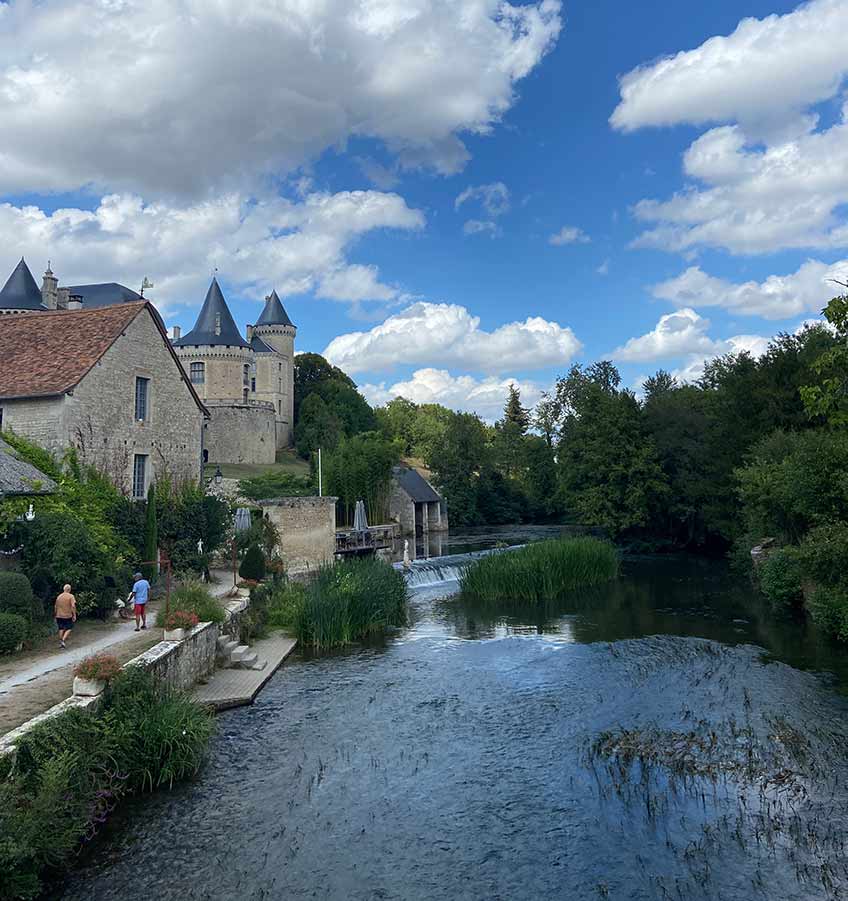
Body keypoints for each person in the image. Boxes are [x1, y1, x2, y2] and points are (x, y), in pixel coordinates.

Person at [54, 584, 76, 649]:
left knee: (61, 628)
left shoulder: (59, 596)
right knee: (69, 628)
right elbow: (73, 606)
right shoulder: (71, 596)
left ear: (64, 589)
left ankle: (61, 642)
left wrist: (55, 614)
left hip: (59, 615)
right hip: (67, 615)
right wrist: (74, 615)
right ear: (69, 589)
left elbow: (55, 606)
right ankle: (63, 640)